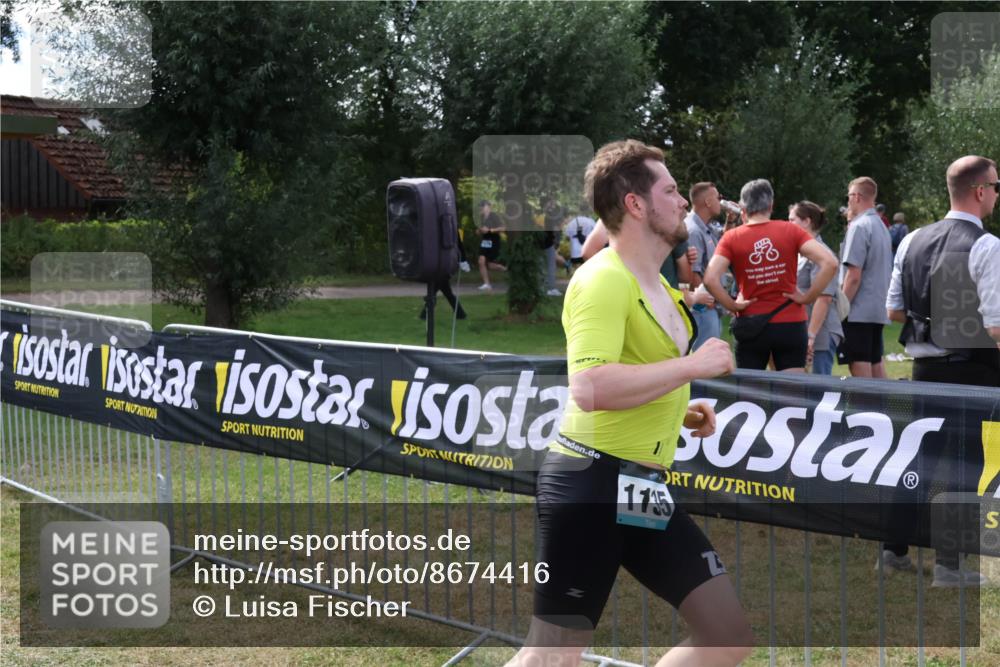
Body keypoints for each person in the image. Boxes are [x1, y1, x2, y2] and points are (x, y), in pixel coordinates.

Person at [506, 140, 753, 667]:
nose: (684, 201)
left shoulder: (660, 287)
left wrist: (679, 408)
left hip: (641, 487)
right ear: (636, 205)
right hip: (591, 484)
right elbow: (590, 387)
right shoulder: (601, 279)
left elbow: (635, 373)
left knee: (727, 634)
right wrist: (692, 367)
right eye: (670, 190)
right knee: (550, 657)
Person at [882, 155, 1000, 587]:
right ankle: (950, 566)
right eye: (997, 186)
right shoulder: (986, 246)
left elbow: (894, 310)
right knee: (967, 465)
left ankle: (892, 550)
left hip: (924, 368)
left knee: (919, 458)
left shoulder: (912, 239)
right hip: (975, 369)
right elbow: (996, 325)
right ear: (981, 190)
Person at [703, 179, 837, 372]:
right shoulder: (790, 230)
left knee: (751, 393)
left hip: (751, 324)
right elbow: (830, 263)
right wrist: (808, 297)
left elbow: (709, 279)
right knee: (793, 392)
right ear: (771, 205)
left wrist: (731, 305)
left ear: (743, 208)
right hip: (790, 323)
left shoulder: (732, 237)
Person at [839, 177, 893, 378]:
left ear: (856, 196)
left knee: (859, 363)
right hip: (878, 307)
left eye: (849, 196)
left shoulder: (859, 226)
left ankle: (866, 408)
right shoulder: (880, 225)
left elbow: (853, 275)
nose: (848, 201)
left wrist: (841, 309)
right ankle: (885, 408)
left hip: (858, 310)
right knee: (875, 361)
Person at [789, 201, 844, 374]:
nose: (788, 224)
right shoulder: (801, 251)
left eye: (792, 220)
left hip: (821, 332)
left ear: (806, 221)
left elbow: (824, 299)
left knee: (818, 389)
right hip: (804, 329)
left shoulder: (821, 253)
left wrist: (810, 337)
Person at [685, 182, 725, 350]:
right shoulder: (694, 230)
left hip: (709, 306)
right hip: (703, 309)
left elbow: (725, 242)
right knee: (706, 361)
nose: (721, 202)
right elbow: (694, 274)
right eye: (718, 198)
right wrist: (708, 302)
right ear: (708, 202)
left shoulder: (706, 227)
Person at [419, 226, 469, 321]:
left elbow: (459, 244)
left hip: (445, 263)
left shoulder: (450, 227)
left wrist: (463, 260)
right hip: (439, 263)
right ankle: (460, 314)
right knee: (446, 291)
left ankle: (425, 314)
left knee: (435, 289)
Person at [476, 200, 506, 290]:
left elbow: (503, 228)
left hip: (493, 241)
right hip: (485, 241)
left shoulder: (494, 216)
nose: (481, 208)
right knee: (481, 261)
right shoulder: (481, 217)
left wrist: (490, 230)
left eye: (483, 206)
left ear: (489, 207)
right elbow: (481, 229)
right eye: (480, 206)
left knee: (490, 265)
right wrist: (479, 231)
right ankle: (486, 284)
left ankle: (504, 268)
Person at [541, 196, 566, 296]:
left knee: (543, 265)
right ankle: (551, 288)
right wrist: (556, 241)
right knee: (551, 265)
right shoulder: (550, 215)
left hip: (541, 242)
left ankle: (543, 287)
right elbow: (555, 228)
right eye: (551, 203)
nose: (552, 205)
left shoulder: (541, 214)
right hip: (548, 242)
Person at [564, 205, 596, 271]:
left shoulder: (572, 222)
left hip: (575, 252)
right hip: (587, 249)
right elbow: (596, 234)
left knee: (577, 270)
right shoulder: (590, 221)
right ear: (587, 211)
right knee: (588, 269)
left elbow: (567, 236)